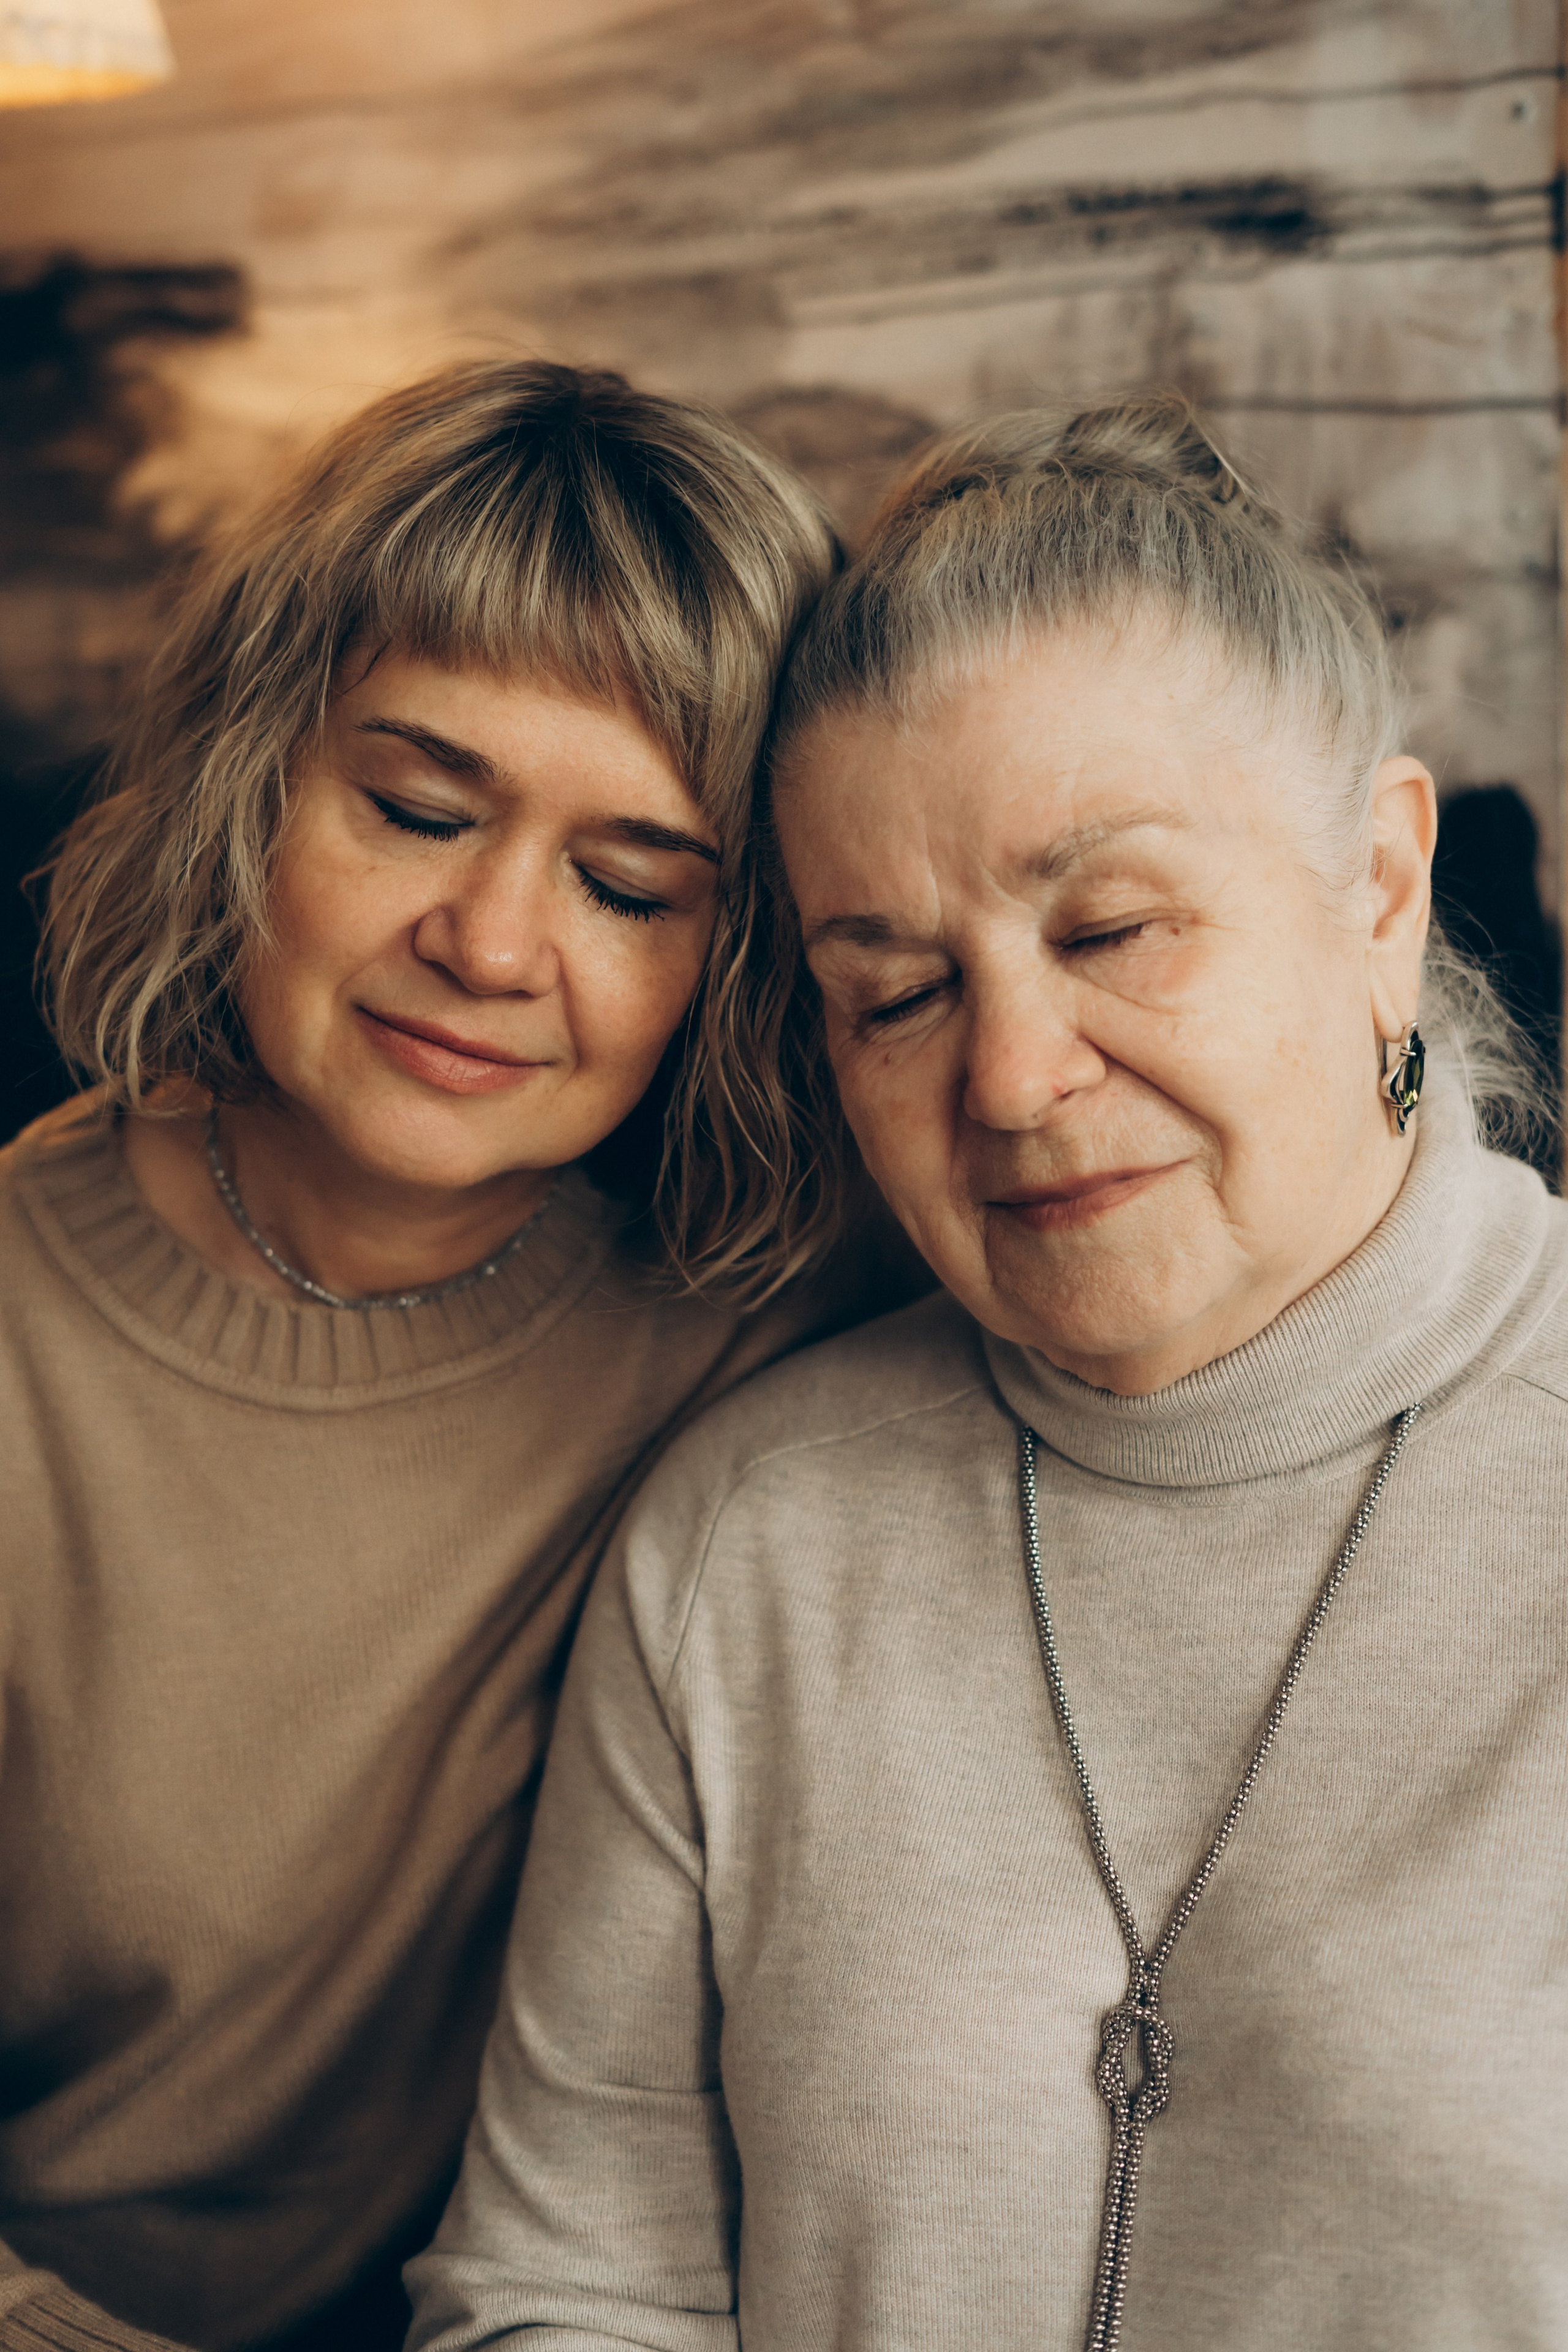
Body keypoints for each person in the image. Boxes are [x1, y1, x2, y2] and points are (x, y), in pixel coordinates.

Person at [407, 397, 1568, 2352]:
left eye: (1110, 927)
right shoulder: (750, 1533)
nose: (1011, 1080)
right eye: (896, 994)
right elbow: (566, 2282)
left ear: (1378, 890)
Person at [0, 360, 921, 2352]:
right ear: (256, 774)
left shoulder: (797, 1292)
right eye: (418, 810)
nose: (497, 945)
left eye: (629, 887)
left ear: (735, 945)